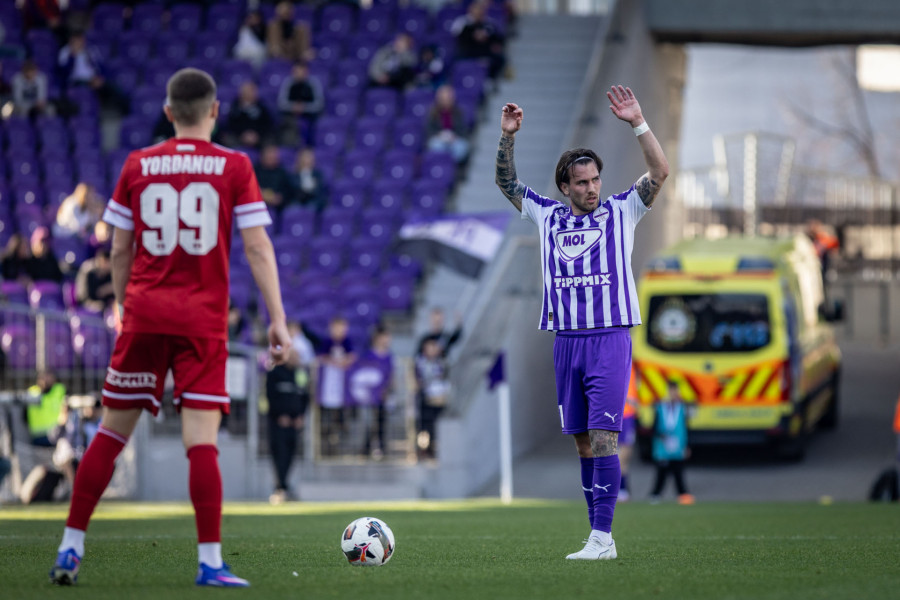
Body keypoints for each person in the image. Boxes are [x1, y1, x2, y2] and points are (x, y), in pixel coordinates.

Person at [49, 67, 291, 588]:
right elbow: (256, 246)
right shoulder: (234, 165)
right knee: (201, 442)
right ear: (215, 111)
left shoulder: (138, 164)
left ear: (167, 113)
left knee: (111, 433)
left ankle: (70, 546)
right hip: (201, 322)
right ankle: (210, 563)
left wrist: (122, 304)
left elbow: (119, 248)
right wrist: (277, 319)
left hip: (144, 314)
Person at [494, 85, 669, 560]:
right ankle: (596, 536)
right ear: (565, 187)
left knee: (605, 437)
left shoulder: (622, 210)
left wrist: (638, 123)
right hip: (566, 342)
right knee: (584, 445)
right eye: (582, 182)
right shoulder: (547, 217)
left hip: (609, 339)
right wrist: (508, 137)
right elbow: (507, 183)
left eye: (595, 180)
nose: (592, 188)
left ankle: (603, 537)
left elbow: (659, 171)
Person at [265, 321, 313, 504]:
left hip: (294, 423)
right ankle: (280, 487)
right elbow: (270, 396)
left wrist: (300, 416)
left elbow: (305, 396)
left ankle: (284, 486)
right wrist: (279, 415)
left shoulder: (299, 374)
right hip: (278, 422)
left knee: (291, 454)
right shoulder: (274, 373)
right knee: (279, 454)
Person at [347, 325, 393, 459]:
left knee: (382, 421)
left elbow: (390, 375)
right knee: (368, 422)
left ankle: (382, 448)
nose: (386, 340)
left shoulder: (389, 356)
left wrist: (387, 389)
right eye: (384, 337)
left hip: (383, 395)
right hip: (368, 396)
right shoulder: (368, 356)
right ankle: (366, 447)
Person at [649, 381, 694, 505]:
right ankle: (655, 494)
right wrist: (660, 435)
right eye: (670, 390)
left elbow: (687, 428)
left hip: (678, 445)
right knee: (661, 471)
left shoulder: (682, 408)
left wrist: (688, 445)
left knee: (678, 471)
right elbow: (653, 427)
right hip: (662, 445)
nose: (673, 393)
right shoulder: (660, 407)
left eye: (675, 391)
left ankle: (683, 494)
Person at [316, 315, 355, 456]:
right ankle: (325, 444)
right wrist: (336, 362)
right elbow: (321, 357)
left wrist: (343, 362)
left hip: (343, 389)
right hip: (328, 388)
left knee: (341, 417)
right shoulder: (327, 342)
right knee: (326, 417)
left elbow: (352, 357)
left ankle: (340, 443)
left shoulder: (347, 342)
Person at [414, 337, 451, 459]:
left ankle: (436, 448)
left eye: (434, 346)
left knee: (437, 425)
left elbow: (445, 379)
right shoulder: (420, 362)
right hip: (425, 399)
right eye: (430, 346)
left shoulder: (442, 362)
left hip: (439, 399)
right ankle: (424, 449)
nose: (433, 349)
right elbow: (417, 381)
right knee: (424, 426)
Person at [453, 0, 507, 82]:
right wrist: (473, 35)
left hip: (485, 51)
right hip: (468, 51)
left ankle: (490, 79)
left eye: (480, 10)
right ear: (471, 11)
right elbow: (458, 38)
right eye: (476, 10)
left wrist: (491, 41)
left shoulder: (489, 23)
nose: (478, 13)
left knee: (500, 59)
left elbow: (498, 38)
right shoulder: (464, 23)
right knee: (457, 57)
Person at [276, 61, 324, 147]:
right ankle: (291, 147)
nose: (298, 74)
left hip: (310, 116)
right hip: (291, 115)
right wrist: (293, 107)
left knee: (314, 125)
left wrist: (304, 107)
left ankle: (310, 147)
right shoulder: (288, 83)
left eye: (300, 71)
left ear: (306, 72)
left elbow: (319, 104)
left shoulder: (313, 83)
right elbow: (281, 103)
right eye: (296, 71)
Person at [220, 80, 275, 149]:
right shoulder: (235, 106)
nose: (252, 93)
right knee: (228, 139)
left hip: (258, 137)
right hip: (239, 136)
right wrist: (242, 135)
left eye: (253, 91)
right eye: (249, 91)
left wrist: (257, 135)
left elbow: (267, 124)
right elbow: (231, 124)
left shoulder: (261, 106)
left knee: (270, 143)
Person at [426, 84, 471, 165]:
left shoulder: (459, 112)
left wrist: (454, 137)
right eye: (443, 99)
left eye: (448, 98)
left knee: (461, 147)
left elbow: (463, 131)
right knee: (436, 145)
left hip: (454, 139)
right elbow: (429, 130)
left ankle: (449, 166)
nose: (446, 101)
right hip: (439, 138)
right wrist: (439, 135)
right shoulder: (432, 113)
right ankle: (442, 165)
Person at [26, 371, 67, 447]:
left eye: (48, 377)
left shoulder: (60, 390)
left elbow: (65, 409)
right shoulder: (32, 392)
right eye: (43, 378)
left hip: (56, 434)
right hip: (37, 436)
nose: (46, 380)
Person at [255, 144, 296, 217]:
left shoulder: (282, 172)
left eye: (274, 153)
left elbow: (288, 191)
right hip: (257, 206)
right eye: (269, 153)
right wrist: (261, 194)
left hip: (278, 209)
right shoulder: (254, 170)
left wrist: (280, 198)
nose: (272, 156)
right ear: (263, 155)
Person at [617, 368, 639, 502]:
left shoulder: (632, 366)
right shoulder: (614, 364)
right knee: (620, 454)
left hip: (629, 415)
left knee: (626, 455)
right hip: (619, 415)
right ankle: (618, 488)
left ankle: (623, 488)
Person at [74, 249, 114, 313]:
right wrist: (101, 292)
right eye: (106, 262)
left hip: (105, 306)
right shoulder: (87, 271)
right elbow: (82, 296)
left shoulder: (110, 274)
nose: (109, 266)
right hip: (86, 304)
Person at [292, 147, 328, 213]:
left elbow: (319, 191)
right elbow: (293, 190)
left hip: (313, 200)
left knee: (311, 207)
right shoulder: (294, 175)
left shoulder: (317, 174)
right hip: (298, 200)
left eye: (309, 157)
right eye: (305, 157)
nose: (307, 160)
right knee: (293, 208)